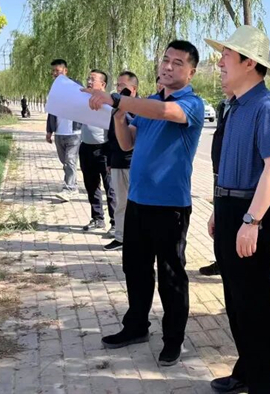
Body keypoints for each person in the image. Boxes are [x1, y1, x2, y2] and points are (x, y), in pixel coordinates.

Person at [84, 40, 204, 367]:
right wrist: (119, 117)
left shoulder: (192, 104)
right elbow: (127, 143)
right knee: (135, 269)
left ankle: (173, 340)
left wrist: (116, 98)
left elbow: (165, 113)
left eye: (178, 63)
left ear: (191, 72)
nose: (168, 66)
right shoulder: (149, 101)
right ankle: (136, 326)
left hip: (170, 206)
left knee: (170, 275)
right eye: (166, 60)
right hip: (138, 201)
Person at [204, 25, 270, 394]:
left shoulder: (266, 106)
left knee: (256, 305)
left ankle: (263, 385)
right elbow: (227, 164)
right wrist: (217, 208)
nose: (220, 62)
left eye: (227, 55)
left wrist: (252, 220)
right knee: (236, 302)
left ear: (249, 63)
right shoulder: (234, 106)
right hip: (229, 209)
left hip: (252, 213)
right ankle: (246, 371)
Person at [198, 89, 235, 277]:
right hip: (218, 170)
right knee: (219, 220)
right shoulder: (224, 105)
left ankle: (228, 262)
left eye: (226, 75)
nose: (222, 78)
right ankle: (220, 260)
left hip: (232, 176)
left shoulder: (244, 106)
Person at [103, 71, 139, 251]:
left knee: (135, 204)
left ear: (133, 89)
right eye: (117, 85)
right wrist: (109, 161)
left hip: (134, 164)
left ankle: (136, 239)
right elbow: (111, 136)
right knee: (120, 203)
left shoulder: (142, 108)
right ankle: (120, 237)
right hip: (117, 162)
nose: (118, 89)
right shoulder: (116, 110)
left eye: (122, 86)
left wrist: (124, 114)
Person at [79, 70, 116, 233]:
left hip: (104, 149)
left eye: (92, 79)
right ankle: (97, 218)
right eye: (88, 78)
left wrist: (111, 154)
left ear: (103, 84)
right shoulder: (83, 99)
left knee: (110, 188)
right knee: (91, 185)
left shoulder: (108, 103)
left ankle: (115, 223)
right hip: (86, 147)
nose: (88, 81)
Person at [46, 59, 82, 202]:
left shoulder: (76, 85)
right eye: (53, 71)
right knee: (65, 162)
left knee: (70, 161)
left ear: (65, 71)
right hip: (59, 132)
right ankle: (74, 185)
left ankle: (69, 189)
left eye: (58, 71)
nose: (55, 73)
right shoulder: (54, 89)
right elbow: (51, 110)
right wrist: (49, 130)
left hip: (74, 132)